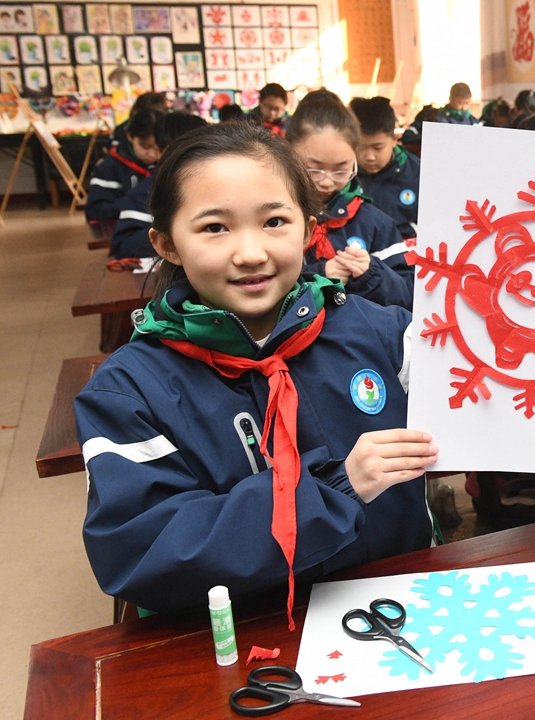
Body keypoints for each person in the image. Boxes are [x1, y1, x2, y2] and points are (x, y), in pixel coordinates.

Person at [76, 122, 438, 618]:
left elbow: (496, 401)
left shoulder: (382, 334)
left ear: (310, 231)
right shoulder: (129, 392)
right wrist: (334, 490)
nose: (251, 253)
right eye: (214, 228)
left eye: (274, 222)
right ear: (166, 244)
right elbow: (139, 552)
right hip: (237, 647)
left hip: (401, 610)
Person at [287, 90, 414, 308]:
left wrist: (371, 272)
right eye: (314, 169)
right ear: (288, 152)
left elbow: (408, 295)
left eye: (341, 170)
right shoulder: (272, 218)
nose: (327, 182)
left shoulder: (374, 223)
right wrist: (317, 274)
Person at [110, 112, 209, 259]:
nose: (192, 162)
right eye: (182, 154)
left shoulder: (221, 187)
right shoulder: (147, 192)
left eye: (202, 153)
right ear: (160, 152)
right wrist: (178, 235)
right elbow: (123, 245)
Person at [349, 96, 420, 239]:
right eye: (360, 147)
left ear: (394, 140)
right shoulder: (343, 176)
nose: (369, 156)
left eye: (378, 147)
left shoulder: (418, 174)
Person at [86, 107, 164, 222]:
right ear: (130, 136)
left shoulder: (167, 162)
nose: (152, 154)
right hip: (127, 229)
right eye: (145, 146)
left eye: (159, 148)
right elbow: (95, 212)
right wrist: (134, 202)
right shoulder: (110, 167)